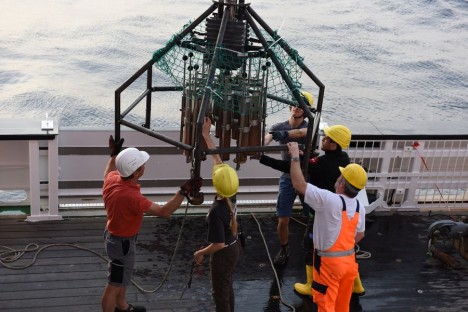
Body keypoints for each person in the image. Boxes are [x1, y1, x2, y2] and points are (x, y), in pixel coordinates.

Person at [101, 135, 202, 312]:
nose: (144, 166)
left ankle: (122, 306)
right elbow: (164, 212)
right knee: (114, 283)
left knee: (123, 276)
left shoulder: (112, 180)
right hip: (121, 243)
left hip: (116, 238)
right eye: (142, 165)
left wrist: (113, 155)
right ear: (137, 172)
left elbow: (108, 172)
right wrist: (183, 191)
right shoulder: (132, 197)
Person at [287, 141, 367, 312]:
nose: (338, 177)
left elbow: (299, 185)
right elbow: (360, 234)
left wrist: (294, 156)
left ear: (342, 183)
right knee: (341, 306)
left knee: (325, 305)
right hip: (349, 264)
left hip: (329, 265)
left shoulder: (328, 200)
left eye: (341, 176)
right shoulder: (360, 206)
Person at [193, 117, 242, 312]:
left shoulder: (216, 211)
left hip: (223, 253)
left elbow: (218, 244)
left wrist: (200, 253)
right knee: (226, 284)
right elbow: (218, 160)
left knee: (219, 292)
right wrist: (206, 134)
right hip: (234, 246)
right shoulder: (232, 192)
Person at [265, 90, 314, 265]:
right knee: (283, 218)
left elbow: (300, 134)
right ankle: (284, 248)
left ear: (307, 110)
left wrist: (284, 135)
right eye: (294, 104)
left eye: (301, 105)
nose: (296, 107)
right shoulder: (278, 126)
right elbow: (268, 137)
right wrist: (260, 146)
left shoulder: (310, 127)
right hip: (288, 177)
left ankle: (313, 246)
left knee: (313, 216)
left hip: (307, 176)